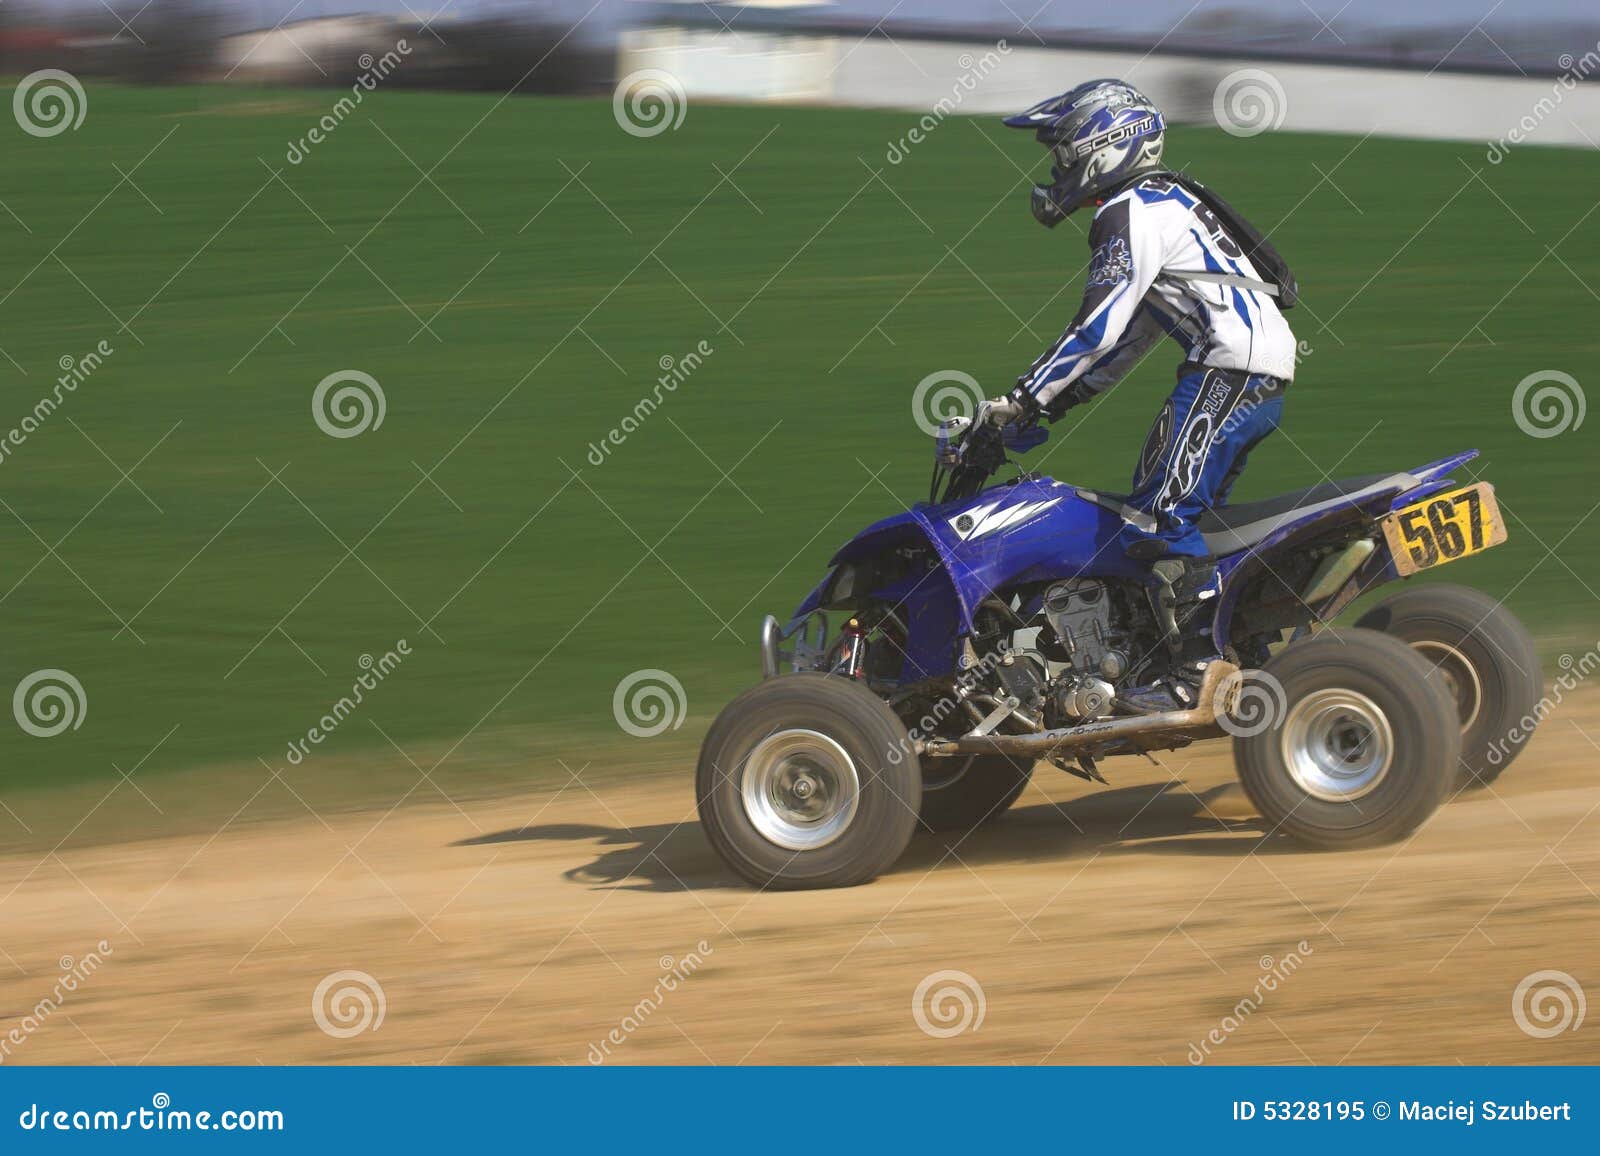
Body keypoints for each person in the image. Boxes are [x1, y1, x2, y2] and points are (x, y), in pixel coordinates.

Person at [977, 78, 1300, 711]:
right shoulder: (1161, 202)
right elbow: (1130, 341)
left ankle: (1195, 670)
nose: (1057, 168)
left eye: (1064, 152)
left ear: (1102, 145)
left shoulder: (1129, 212)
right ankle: (1241, 652)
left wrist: (1021, 399)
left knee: (1158, 516)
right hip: (1252, 369)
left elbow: (1095, 329)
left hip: (1226, 368)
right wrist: (1055, 404)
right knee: (1195, 524)